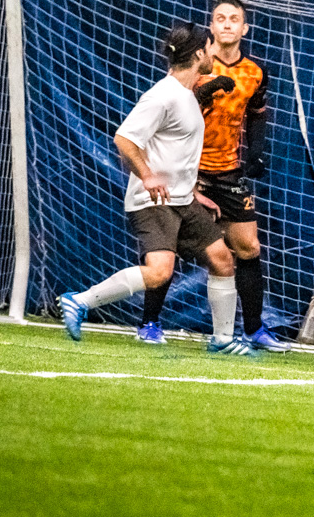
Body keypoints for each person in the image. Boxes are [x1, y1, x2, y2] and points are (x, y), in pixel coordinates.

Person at [59, 22, 253, 355]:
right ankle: (80, 301)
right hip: (154, 201)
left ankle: (222, 340)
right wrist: (147, 176)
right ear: (199, 54)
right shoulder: (163, 95)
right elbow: (124, 139)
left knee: (222, 259)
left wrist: (193, 192)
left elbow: (175, 152)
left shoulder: (186, 95)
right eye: (210, 48)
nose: (215, 54)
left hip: (182, 200)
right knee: (159, 272)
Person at [147, 0, 286, 351]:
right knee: (169, 247)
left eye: (233, 19)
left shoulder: (255, 72)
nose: (226, 24)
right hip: (187, 171)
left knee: (248, 247)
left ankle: (254, 330)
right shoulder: (196, 65)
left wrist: (256, 151)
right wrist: (205, 91)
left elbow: (257, 112)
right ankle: (149, 323)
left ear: (244, 28)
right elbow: (172, 106)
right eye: (220, 18)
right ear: (211, 27)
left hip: (227, 172)